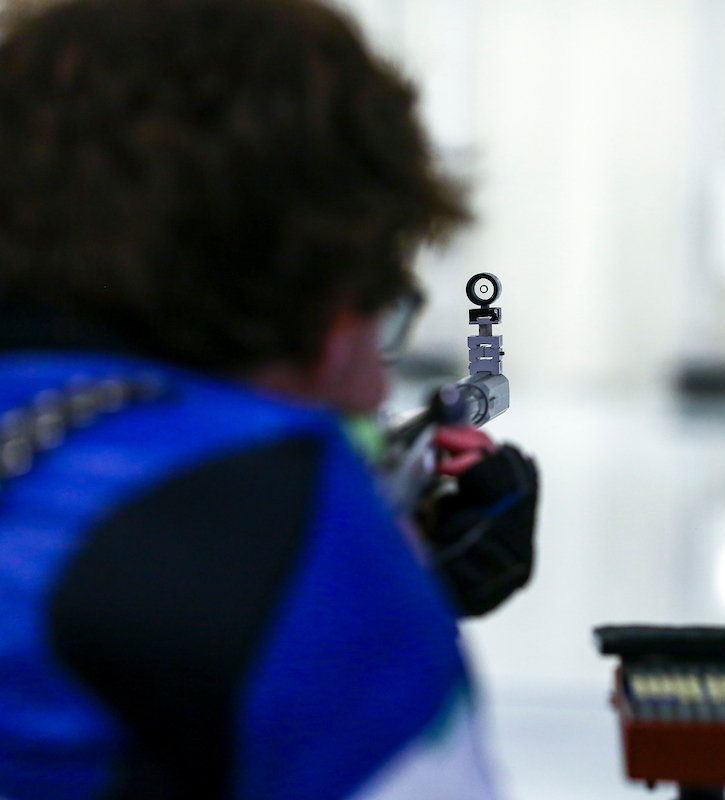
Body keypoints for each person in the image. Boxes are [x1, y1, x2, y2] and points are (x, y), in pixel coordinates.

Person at [0, 0, 536, 797]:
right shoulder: (273, 513)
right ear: (306, 286)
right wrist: (389, 603)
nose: (377, 386)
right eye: (378, 304)